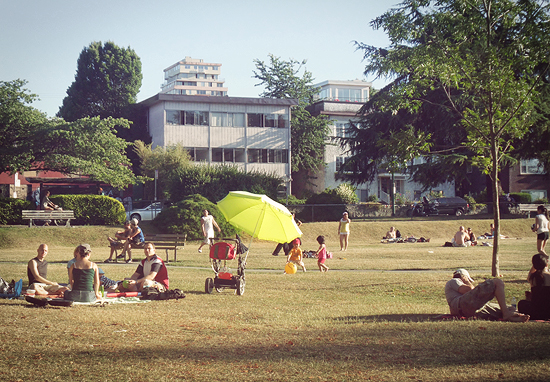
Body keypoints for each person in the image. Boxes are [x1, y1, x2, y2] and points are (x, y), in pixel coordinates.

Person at [444, 268, 529, 322]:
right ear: (463, 276)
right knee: (497, 282)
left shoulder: (453, 288)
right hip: (463, 305)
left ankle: (512, 315)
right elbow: (469, 290)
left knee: (508, 308)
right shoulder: (453, 281)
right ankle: (507, 313)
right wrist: (467, 281)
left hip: (468, 309)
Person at [518, 253, 550, 320]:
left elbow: (530, 273)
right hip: (548, 311)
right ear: (546, 265)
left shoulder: (532, 278)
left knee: (521, 303)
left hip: (535, 312)